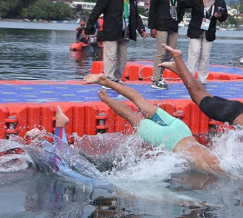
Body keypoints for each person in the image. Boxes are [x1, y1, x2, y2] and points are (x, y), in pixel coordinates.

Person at [83, 73, 224, 175]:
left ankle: (105, 81)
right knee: (131, 116)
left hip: (181, 130)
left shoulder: (220, 160)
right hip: (167, 140)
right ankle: (105, 98)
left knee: (139, 99)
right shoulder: (213, 168)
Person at [84, 0, 147, 84]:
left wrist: (141, 29)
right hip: (111, 31)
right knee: (111, 55)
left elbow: (135, 16)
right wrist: (88, 29)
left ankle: (117, 78)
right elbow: (96, 12)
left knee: (122, 57)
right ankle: (109, 79)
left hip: (126, 32)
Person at [181, 0, 228, 86]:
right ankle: (190, 78)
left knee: (205, 56)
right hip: (195, 31)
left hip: (209, 32)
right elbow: (183, 4)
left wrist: (220, 16)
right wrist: (179, 16)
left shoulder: (220, 2)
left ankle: (202, 80)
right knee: (194, 53)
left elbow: (225, 17)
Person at [148, 0, 184, 89]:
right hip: (161, 24)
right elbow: (152, 8)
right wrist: (152, 26)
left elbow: (180, 8)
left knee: (170, 53)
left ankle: (160, 77)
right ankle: (155, 79)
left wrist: (179, 19)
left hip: (173, 25)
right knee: (161, 52)